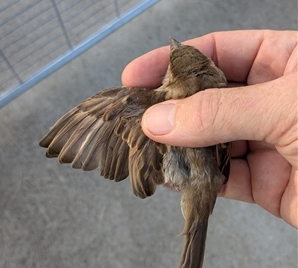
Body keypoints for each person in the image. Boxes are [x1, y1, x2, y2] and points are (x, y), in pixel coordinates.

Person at [122, 30, 297, 228]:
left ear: (172, 78)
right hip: (210, 172)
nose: (174, 43)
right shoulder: (221, 89)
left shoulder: (160, 102)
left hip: (201, 173)